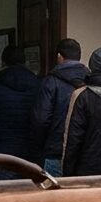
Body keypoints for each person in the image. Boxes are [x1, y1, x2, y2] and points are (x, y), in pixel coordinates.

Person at [0, 45, 41, 174]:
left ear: (3, 62)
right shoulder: (39, 85)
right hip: (30, 152)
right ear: (25, 62)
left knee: (1, 192)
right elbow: (44, 117)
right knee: (29, 192)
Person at [60, 48, 101, 176]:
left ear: (91, 66)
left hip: (87, 169)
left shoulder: (82, 96)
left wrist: (67, 174)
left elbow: (72, 138)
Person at [31, 38, 88, 176]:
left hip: (55, 150)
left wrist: (39, 146)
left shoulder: (51, 81)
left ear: (59, 57)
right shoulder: (90, 79)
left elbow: (41, 118)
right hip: (84, 151)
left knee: (54, 195)